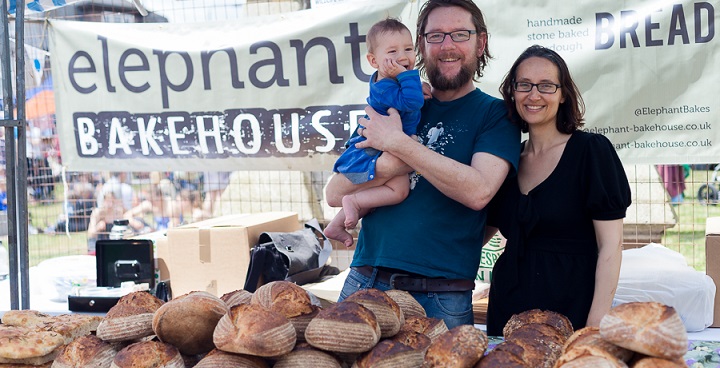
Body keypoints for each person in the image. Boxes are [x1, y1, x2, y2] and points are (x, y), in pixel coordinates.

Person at [325, 0, 521, 329]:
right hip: (366, 280)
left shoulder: (496, 115)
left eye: (459, 34)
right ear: (420, 45)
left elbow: (478, 191)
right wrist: (391, 164)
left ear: (480, 42)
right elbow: (336, 191)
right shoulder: (392, 104)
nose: (447, 46)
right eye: (435, 36)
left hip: (442, 296)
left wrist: (398, 144)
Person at [483, 45, 632, 336]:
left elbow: (611, 248)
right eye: (524, 84)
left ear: (563, 94)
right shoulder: (506, 161)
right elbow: (475, 235)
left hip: (573, 311)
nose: (534, 94)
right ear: (512, 92)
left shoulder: (591, 152)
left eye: (546, 86)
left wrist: (596, 325)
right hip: (508, 313)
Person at [324, 17, 425, 248]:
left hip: (390, 145)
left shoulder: (393, 80)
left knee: (394, 191)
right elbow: (412, 101)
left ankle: (338, 222)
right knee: (396, 191)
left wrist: (419, 86)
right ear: (373, 60)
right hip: (375, 149)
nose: (402, 56)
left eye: (408, 49)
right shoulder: (384, 86)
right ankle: (352, 202)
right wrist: (410, 78)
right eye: (392, 51)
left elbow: (413, 96)